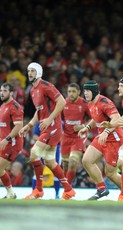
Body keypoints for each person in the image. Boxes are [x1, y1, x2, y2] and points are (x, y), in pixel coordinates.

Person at [19, 62, 75, 200]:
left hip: (53, 127)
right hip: (47, 127)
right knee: (50, 161)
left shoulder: (46, 86)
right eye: (28, 71)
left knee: (33, 154)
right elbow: (39, 112)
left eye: (32, 71)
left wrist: (50, 119)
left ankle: (38, 190)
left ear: (38, 72)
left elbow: (62, 102)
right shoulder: (32, 90)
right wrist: (29, 126)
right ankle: (68, 190)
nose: (29, 73)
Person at [78, 80, 123, 200]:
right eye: (84, 91)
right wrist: (87, 127)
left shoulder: (105, 102)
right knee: (87, 160)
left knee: (110, 173)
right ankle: (102, 189)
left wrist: (107, 131)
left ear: (93, 91)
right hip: (102, 137)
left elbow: (117, 118)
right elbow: (95, 118)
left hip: (114, 139)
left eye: (87, 91)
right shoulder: (91, 103)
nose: (85, 93)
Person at [61, 83, 90, 186]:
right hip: (66, 137)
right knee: (65, 164)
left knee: (73, 161)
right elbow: (58, 118)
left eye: (73, 91)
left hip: (78, 137)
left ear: (78, 92)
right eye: (69, 91)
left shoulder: (84, 104)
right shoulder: (63, 103)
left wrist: (83, 126)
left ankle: (67, 189)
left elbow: (93, 119)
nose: (71, 94)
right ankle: (65, 185)